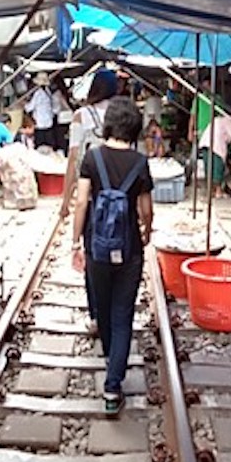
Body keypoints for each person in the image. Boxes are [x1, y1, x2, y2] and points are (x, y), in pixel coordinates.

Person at [71, 98, 153, 415]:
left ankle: (111, 357)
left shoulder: (92, 159)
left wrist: (76, 241)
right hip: (129, 249)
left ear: (108, 125)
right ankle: (113, 385)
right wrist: (147, 231)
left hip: (98, 248)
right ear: (134, 128)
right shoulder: (140, 162)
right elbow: (146, 209)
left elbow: (81, 203)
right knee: (122, 315)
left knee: (102, 309)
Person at [60, 69, 119, 333]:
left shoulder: (80, 116)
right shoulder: (123, 114)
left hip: (93, 193)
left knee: (94, 254)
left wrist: (66, 200)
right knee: (120, 252)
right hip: (121, 192)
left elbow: (74, 159)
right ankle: (116, 313)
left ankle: (96, 317)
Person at [198, 112, 231, 196]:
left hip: (205, 143)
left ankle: (211, 191)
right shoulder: (230, 122)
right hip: (216, 145)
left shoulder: (218, 119)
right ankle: (218, 191)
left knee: (209, 168)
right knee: (217, 168)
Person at [25, 72, 55, 149]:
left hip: (40, 124)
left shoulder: (38, 93)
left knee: (40, 147)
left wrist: (24, 105)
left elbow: (29, 108)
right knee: (49, 146)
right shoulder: (48, 92)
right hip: (49, 123)